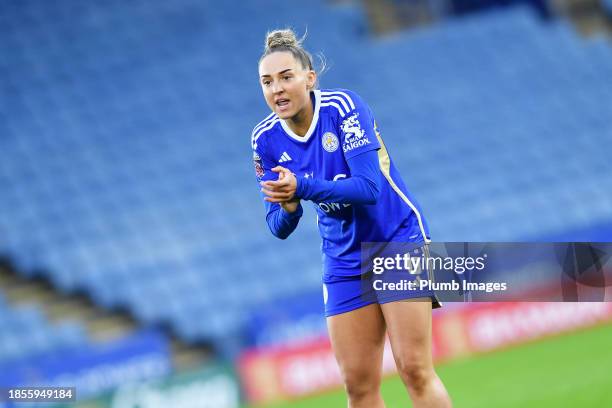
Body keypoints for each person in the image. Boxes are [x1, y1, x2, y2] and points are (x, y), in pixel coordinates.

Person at [251, 28, 452, 408]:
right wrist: (290, 206)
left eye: (286, 76)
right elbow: (278, 225)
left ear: (309, 78)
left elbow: (368, 188)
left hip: (397, 240)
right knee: (358, 388)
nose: (276, 88)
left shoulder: (344, 107)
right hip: (343, 258)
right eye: (267, 81)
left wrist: (302, 188)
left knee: (414, 369)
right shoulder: (264, 140)